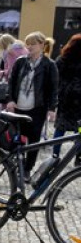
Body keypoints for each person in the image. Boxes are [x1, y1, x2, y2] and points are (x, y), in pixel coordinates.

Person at [6, 32, 59, 178]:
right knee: (16, 138)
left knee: (34, 140)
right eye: (27, 43)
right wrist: (10, 99)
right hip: (18, 106)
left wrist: (52, 108)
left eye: (33, 44)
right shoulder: (20, 61)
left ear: (42, 45)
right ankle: (17, 164)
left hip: (37, 107)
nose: (29, 47)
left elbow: (54, 89)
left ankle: (27, 169)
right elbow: (11, 82)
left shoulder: (49, 65)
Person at [52, 33, 81, 162]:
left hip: (64, 98)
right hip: (79, 99)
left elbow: (55, 77)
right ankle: (78, 156)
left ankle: (55, 155)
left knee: (60, 128)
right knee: (79, 129)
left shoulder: (62, 58)